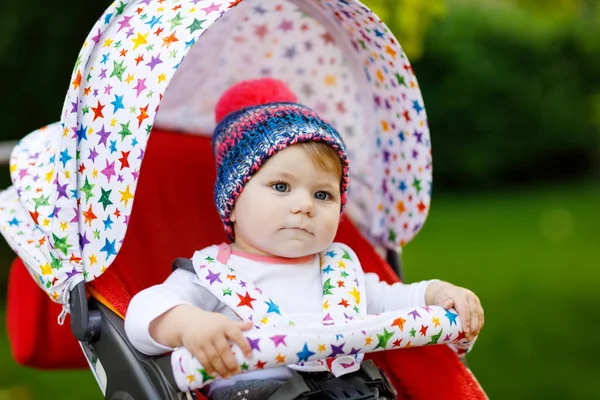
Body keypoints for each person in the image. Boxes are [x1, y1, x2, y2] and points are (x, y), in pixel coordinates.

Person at [124, 78, 485, 399]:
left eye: (323, 195)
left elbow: (396, 299)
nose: (304, 206)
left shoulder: (340, 271)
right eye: (281, 187)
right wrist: (189, 324)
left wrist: (437, 294)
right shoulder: (212, 274)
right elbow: (143, 313)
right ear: (232, 203)